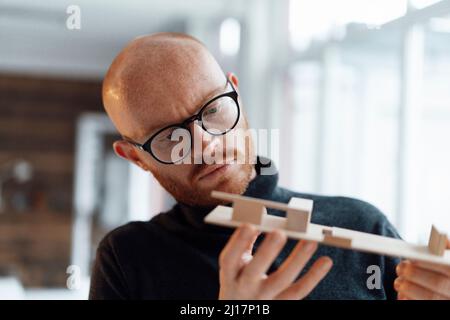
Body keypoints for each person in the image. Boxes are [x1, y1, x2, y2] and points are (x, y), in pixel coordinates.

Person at [89, 32, 450, 300]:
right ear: (135, 156)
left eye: (213, 109)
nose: (206, 145)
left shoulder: (361, 226)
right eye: (168, 137)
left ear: (237, 94)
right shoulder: (127, 259)